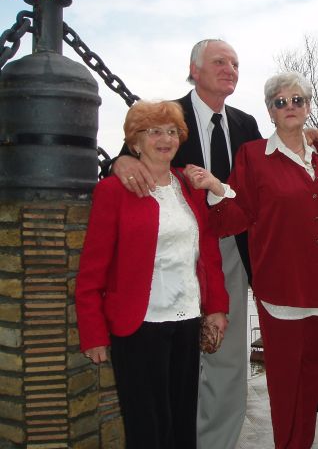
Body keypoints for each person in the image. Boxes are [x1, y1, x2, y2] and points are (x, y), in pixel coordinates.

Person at [111, 40, 318, 449]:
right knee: (175, 358)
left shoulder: (245, 124)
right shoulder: (167, 116)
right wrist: (118, 161)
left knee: (227, 359)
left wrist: (309, 134)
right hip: (170, 252)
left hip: (228, 250)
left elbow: (274, 160)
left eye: (235, 63)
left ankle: (218, 442)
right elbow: (130, 155)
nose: (230, 68)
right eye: (219, 62)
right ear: (194, 70)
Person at [189, 71, 318, 449]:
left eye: (297, 100)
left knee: (312, 386)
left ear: (308, 107)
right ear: (270, 111)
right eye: (280, 102)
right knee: (286, 390)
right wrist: (217, 189)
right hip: (281, 292)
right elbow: (237, 214)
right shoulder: (254, 156)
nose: (289, 106)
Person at [75, 101, 230, 449]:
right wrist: (93, 333)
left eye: (172, 132)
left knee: (182, 424)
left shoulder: (188, 186)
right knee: (147, 429)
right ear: (135, 142)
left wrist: (217, 307)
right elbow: (92, 269)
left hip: (186, 322)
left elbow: (208, 252)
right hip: (138, 327)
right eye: (154, 131)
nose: (166, 139)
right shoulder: (112, 191)